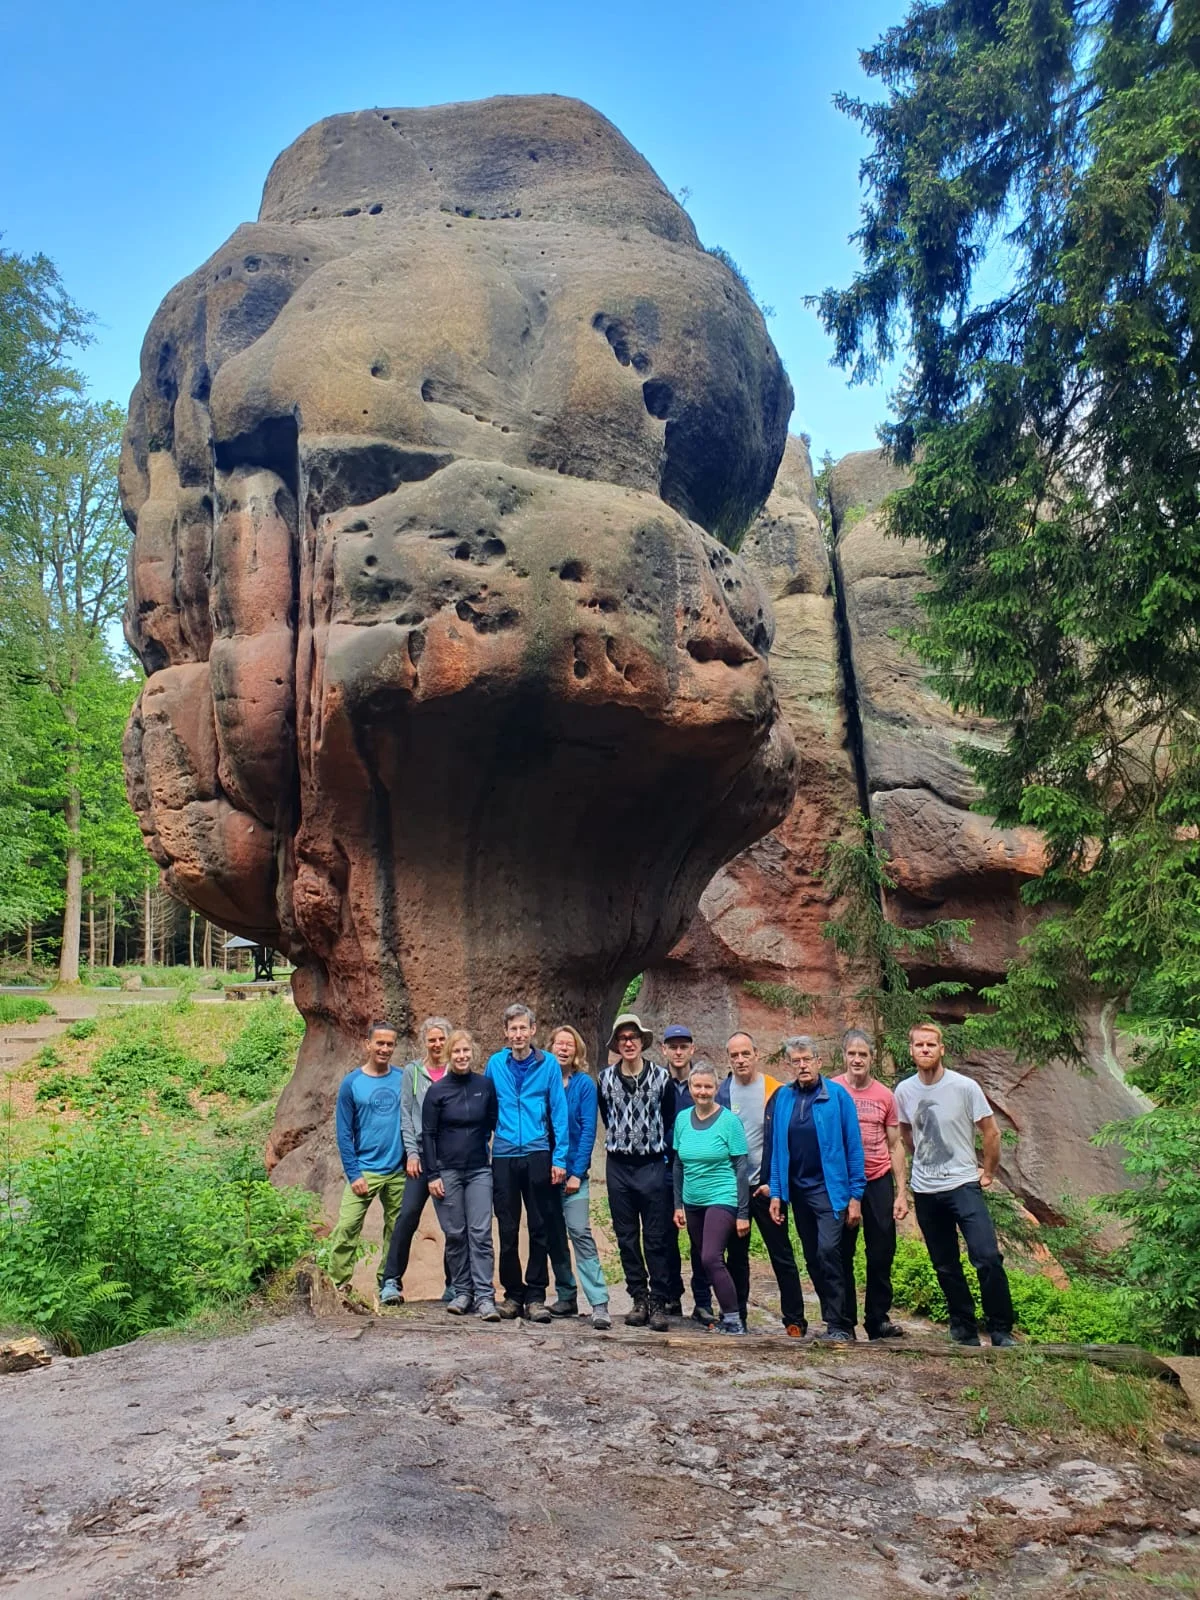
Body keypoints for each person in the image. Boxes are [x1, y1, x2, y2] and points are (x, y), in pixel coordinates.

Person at [894, 1022, 1016, 1347]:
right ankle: (963, 1328)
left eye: (931, 1045)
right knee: (945, 1265)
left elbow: (991, 1132)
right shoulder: (904, 1091)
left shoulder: (965, 1087)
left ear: (941, 1049)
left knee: (987, 1256)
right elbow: (905, 1134)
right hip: (926, 1190)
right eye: (919, 1045)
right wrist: (914, 1173)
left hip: (963, 1184)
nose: (925, 1050)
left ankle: (1001, 1329)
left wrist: (987, 1172)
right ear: (911, 1050)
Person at [763, 1036, 865, 1342]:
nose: (802, 1065)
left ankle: (838, 1324)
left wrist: (856, 1196)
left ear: (819, 1062)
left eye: (807, 1059)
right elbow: (779, 1149)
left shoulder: (837, 1096)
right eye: (796, 1061)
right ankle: (839, 1320)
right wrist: (778, 1193)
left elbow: (853, 1147)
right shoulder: (783, 1098)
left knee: (828, 1251)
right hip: (799, 1191)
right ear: (789, 1065)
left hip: (830, 1191)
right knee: (811, 1257)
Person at [485, 1003, 571, 1322]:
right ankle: (512, 1295)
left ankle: (536, 1296)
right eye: (513, 1029)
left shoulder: (547, 1064)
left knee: (539, 1226)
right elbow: (487, 1107)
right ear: (505, 1033)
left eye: (524, 1028)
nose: (518, 1034)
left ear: (533, 1030)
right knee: (507, 1228)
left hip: (538, 1153)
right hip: (505, 1155)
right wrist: (487, 1146)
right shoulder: (495, 1064)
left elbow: (559, 1113)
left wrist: (559, 1157)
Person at [718, 1032, 807, 1337]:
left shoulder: (776, 1091)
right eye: (734, 1055)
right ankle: (736, 1317)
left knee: (781, 1254)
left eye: (745, 1053)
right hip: (732, 1189)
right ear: (728, 1059)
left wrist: (775, 1185)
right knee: (736, 1258)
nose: (740, 1060)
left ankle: (794, 1320)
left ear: (756, 1053)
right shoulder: (722, 1093)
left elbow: (786, 1142)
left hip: (767, 1190)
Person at [596, 1012, 676, 1332]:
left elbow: (668, 1117)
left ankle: (658, 1300)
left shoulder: (661, 1078)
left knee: (656, 1237)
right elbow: (606, 1114)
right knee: (627, 1236)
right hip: (619, 1166)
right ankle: (638, 1298)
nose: (628, 1043)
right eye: (623, 1038)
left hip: (652, 1164)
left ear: (642, 1042)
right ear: (616, 1044)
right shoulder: (605, 1079)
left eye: (634, 1038)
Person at [833, 1029, 909, 1341]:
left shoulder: (885, 1096)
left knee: (881, 1251)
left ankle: (877, 1320)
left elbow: (896, 1145)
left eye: (863, 1054)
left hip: (877, 1179)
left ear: (872, 1058)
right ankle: (844, 1321)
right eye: (852, 1053)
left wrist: (901, 1191)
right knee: (841, 1252)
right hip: (841, 1182)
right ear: (844, 1056)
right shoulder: (832, 1090)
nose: (857, 1059)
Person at [421, 1029, 501, 1320]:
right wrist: (432, 1175)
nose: (462, 1056)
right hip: (447, 1171)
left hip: (479, 1169)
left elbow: (494, 1122)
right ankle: (462, 1291)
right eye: (456, 1052)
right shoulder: (437, 1090)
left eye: (466, 1051)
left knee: (480, 1233)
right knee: (455, 1234)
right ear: (448, 1056)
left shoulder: (485, 1086)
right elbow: (427, 1134)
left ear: (473, 1053)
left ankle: (484, 1296)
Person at [672, 1060, 751, 1335]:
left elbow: (742, 1168)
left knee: (710, 1257)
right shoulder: (683, 1119)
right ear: (690, 1088)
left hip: (722, 1196)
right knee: (701, 1256)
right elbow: (678, 1164)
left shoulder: (730, 1121)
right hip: (693, 1201)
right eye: (697, 1086)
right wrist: (677, 1204)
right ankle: (719, 1313)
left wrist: (742, 1212)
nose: (702, 1091)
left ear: (716, 1088)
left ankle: (733, 1318)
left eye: (708, 1086)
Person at [328, 1022, 406, 1296]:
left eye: (390, 1044)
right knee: (347, 1226)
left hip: (398, 1170)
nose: (384, 1049)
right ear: (368, 1044)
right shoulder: (352, 1083)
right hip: (365, 1169)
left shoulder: (403, 1078)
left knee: (396, 1231)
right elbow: (343, 1132)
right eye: (380, 1043)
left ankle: (388, 1283)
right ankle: (337, 1285)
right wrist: (354, 1173)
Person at [380, 1017, 453, 1305]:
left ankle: (455, 1284)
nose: (437, 1044)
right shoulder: (413, 1072)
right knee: (407, 1215)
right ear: (425, 1042)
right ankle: (390, 1282)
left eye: (441, 1039)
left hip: (450, 1157)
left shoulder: (455, 1071)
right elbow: (407, 1116)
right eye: (432, 1039)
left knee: (453, 1224)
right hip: (421, 1157)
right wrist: (411, 1153)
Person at [546, 1025, 612, 1331]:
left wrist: (576, 1172)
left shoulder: (584, 1085)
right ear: (549, 1047)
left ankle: (599, 1302)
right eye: (558, 1044)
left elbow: (588, 1131)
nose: (563, 1049)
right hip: (545, 1176)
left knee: (579, 1232)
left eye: (568, 1045)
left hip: (574, 1178)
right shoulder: (542, 1082)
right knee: (554, 1237)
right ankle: (566, 1296)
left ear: (577, 1051)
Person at [661, 1024, 716, 1327]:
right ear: (664, 1049)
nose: (678, 1051)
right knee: (665, 1235)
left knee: (699, 1239)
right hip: (665, 1168)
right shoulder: (657, 1081)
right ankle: (671, 1294)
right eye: (673, 1046)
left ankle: (703, 1301)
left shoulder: (702, 1082)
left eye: (684, 1046)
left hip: (698, 1171)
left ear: (692, 1049)